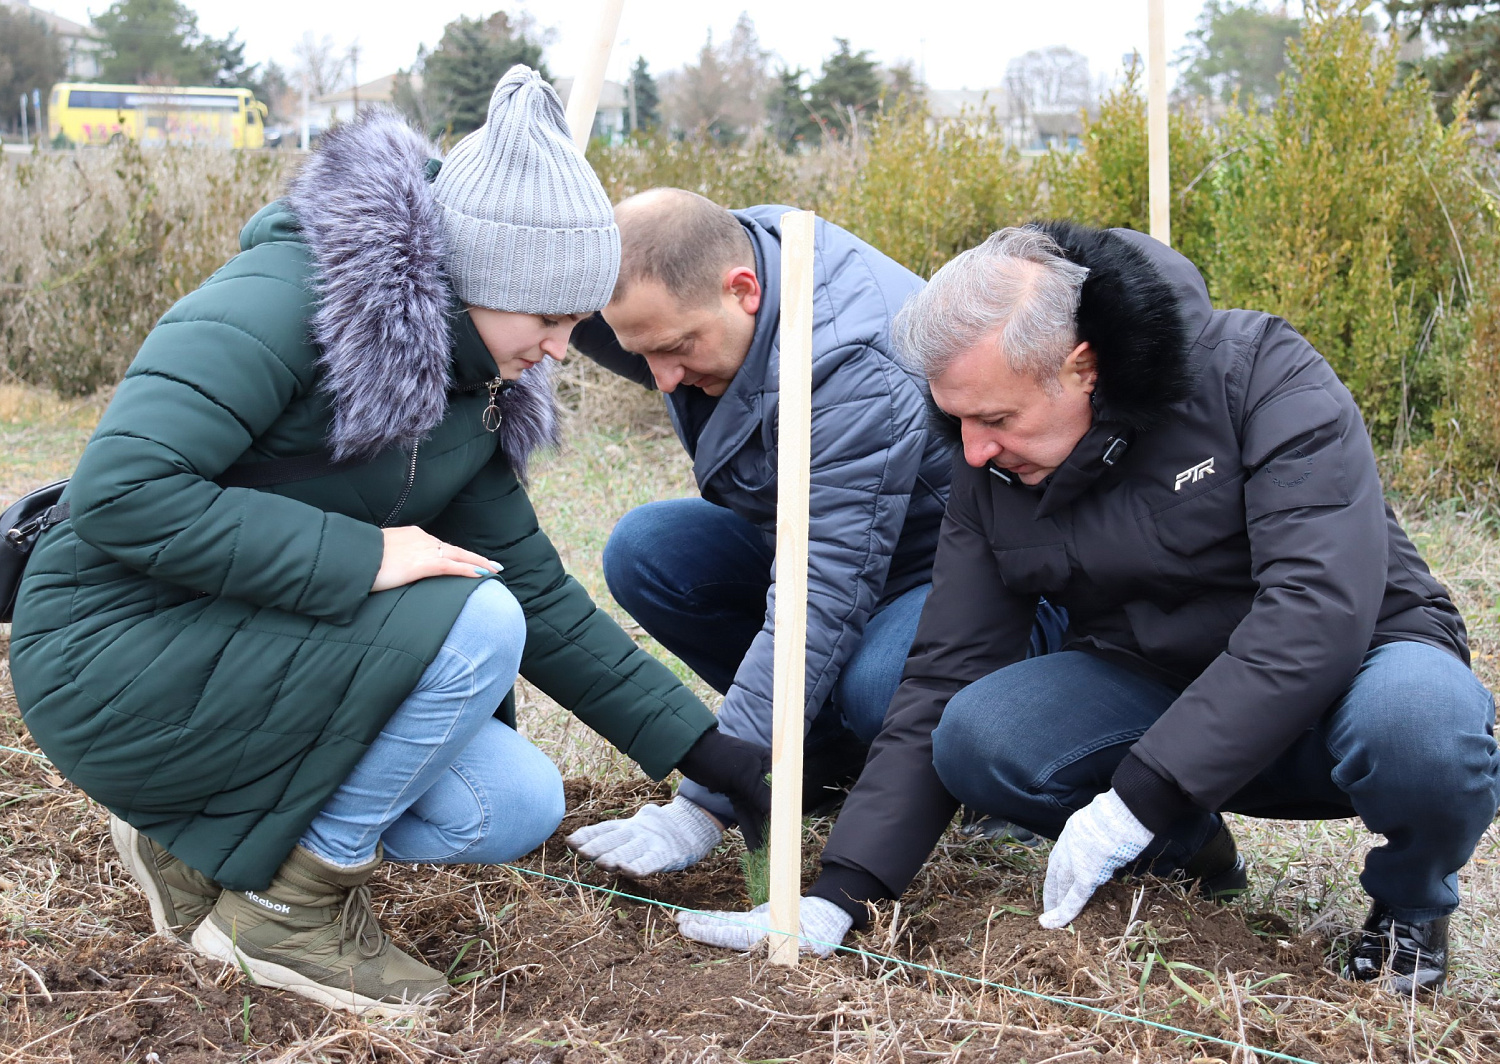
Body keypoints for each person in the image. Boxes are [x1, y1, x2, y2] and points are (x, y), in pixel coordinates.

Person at [7, 69, 771, 1017]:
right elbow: (123, 494)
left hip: (251, 651)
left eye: (576, 323)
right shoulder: (281, 302)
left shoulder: (475, 381)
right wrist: (366, 557)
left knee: (511, 805)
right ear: (478, 282)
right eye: (548, 320)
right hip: (114, 650)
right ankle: (287, 911)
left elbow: (535, 584)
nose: (561, 350)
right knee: (472, 618)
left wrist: (706, 750)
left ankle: (186, 835)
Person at [675, 222, 1500, 996]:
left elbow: (1315, 613)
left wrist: (1141, 792)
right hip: (1158, 678)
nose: (971, 450)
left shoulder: (1259, 372)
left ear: (1081, 366)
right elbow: (943, 670)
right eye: (957, 419)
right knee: (979, 732)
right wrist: (843, 892)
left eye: (995, 418)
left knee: (1424, 723)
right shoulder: (991, 461)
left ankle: (1411, 905)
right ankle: (1187, 853)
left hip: (1355, 669)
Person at [562, 190, 1065, 877]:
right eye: (642, 353)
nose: (663, 378)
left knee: (878, 682)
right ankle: (821, 762)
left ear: (743, 291)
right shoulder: (713, 269)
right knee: (651, 551)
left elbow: (820, 592)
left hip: (949, 575)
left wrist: (709, 796)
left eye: (677, 348)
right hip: (839, 542)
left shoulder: (848, 360)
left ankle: (979, 776)